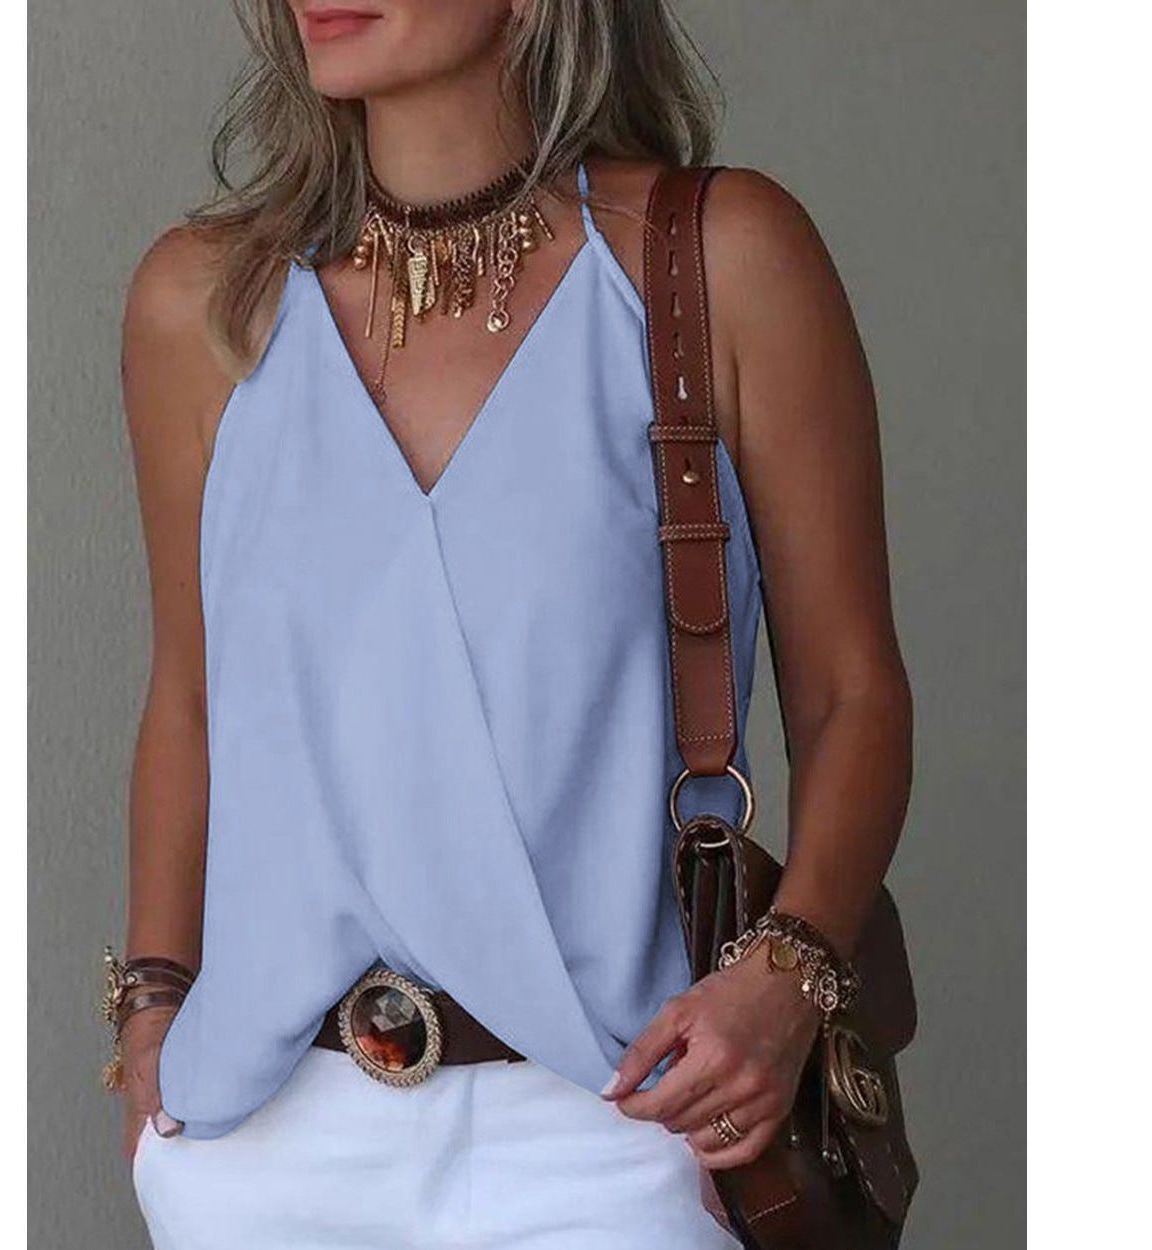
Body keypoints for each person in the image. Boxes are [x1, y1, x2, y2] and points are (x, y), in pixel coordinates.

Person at [111, 2, 912, 1246]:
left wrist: (786, 976)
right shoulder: (203, 305)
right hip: (264, 1146)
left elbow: (850, 693)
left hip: (612, 1129)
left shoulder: (712, 263)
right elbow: (190, 700)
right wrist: (152, 1004)